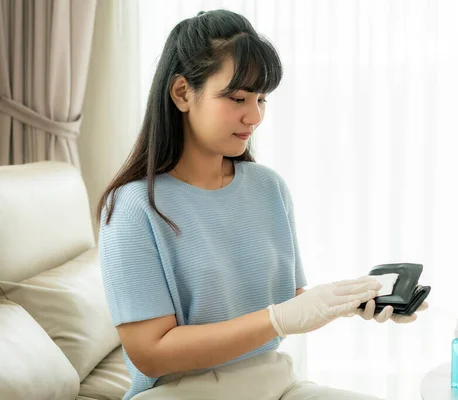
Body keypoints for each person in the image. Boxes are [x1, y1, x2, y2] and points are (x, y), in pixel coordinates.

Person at [97, 9, 427, 400]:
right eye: (237, 97)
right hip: (182, 392)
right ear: (183, 93)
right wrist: (278, 319)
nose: (253, 116)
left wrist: (347, 302)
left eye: (261, 98)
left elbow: (289, 304)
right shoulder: (133, 207)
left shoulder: (268, 188)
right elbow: (150, 353)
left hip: (274, 382)